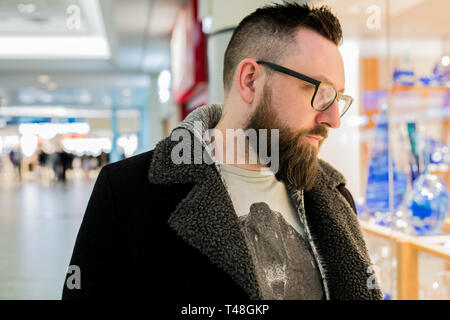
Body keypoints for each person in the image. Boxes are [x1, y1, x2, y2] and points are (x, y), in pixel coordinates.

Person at [63, 2, 382, 300]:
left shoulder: (333, 195)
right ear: (250, 80)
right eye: (318, 91)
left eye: (337, 98)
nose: (334, 119)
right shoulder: (129, 192)